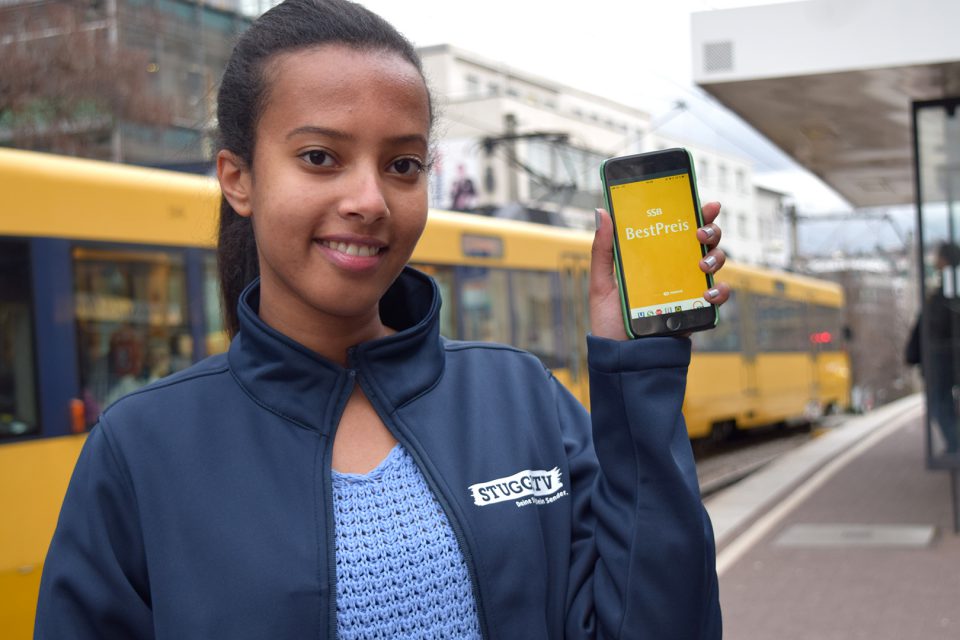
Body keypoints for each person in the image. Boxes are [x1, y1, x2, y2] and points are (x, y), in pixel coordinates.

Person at [34, 1, 730, 638]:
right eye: (320, 157)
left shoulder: (524, 400)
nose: (370, 200)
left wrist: (636, 372)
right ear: (237, 179)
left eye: (402, 164)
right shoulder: (140, 449)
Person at [906, 241, 960, 455]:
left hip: (943, 358)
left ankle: (955, 447)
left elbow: (935, 325)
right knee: (941, 403)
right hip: (944, 356)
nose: (935, 262)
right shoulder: (947, 289)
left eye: (938, 257)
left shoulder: (946, 292)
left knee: (939, 403)